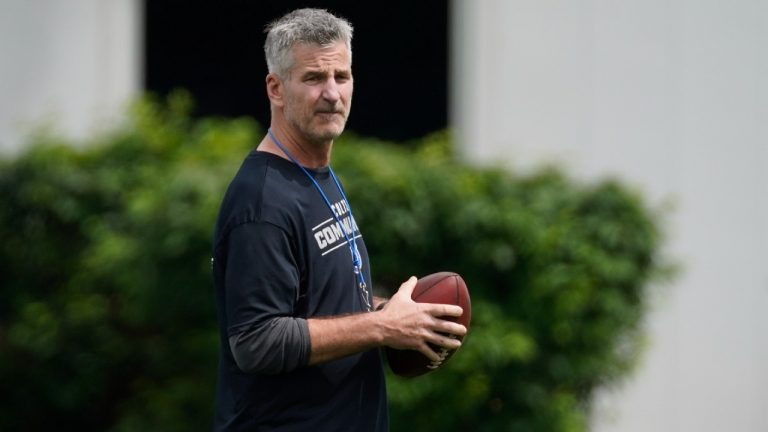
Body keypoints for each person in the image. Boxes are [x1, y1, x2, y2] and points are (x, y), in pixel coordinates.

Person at [210, 8, 466, 431]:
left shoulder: (317, 176)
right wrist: (382, 326)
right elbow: (257, 341)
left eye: (341, 77)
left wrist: (403, 315)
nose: (332, 93)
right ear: (275, 88)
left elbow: (324, 303)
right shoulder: (261, 201)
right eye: (313, 78)